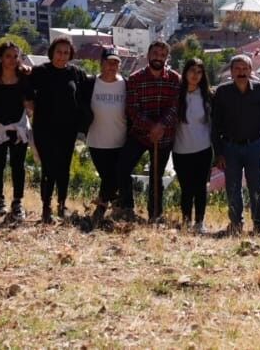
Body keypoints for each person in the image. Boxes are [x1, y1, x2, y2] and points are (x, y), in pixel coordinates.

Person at [26, 37, 88, 224]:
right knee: (49, 169)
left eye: (66, 52)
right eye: (59, 52)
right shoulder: (39, 72)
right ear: (52, 52)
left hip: (67, 130)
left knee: (64, 169)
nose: (62, 56)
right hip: (44, 129)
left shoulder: (76, 73)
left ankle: (62, 205)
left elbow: (85, 96)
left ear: (70, 54)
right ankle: (46, 207)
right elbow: (26, 91)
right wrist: (33, 106)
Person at [212, 53, 260, 235]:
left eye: (245, 68)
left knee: (256, 187)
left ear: (251, 71)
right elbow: (215, 125)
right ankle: (236, 225)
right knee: (233, 188)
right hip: (230, 147)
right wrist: (219, 153)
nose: (241, 72)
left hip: (255, 146)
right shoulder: (222, 92)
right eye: (237, 69)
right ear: (231, 72)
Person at [121, 41, 182, 223]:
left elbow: (175, 106)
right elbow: (132, 108)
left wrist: (161, 126)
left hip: (164, 137)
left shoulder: (174, 79)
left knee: (157, 177)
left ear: (167, 58)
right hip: (139, 134)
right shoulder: (135, 78)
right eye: (155, 53)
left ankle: (155, 215)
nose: (158, 57)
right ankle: (127, 208)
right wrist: (151, 127)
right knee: (122, 168)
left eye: (163, 55)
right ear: (148, 55)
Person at [0, 40, 32, 219]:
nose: (12, 60)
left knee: (18, 165)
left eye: (15, 56)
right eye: (8, 56)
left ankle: (18, 201)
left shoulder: (24, 77)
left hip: (17, 128)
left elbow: (29, 100)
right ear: (0, 58)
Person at [81, 50, 128, 223]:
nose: (112, 66)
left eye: (115, 63)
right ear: (101, 63)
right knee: (108, 177)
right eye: (109, 62)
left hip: (120, 140)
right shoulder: (91, 83)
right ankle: (113, 207)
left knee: (114, 176)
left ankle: (102, 209)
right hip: (97, 140)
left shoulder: (125, 84)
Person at [172, 58, 214, 232]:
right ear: (185, 73)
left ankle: (199, 222)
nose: (195, 75)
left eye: (199, 72)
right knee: (186, 188)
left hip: (203, 149)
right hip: (181, 149)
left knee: (201, 188)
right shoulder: (177, 95)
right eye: (192, 71)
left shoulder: (208, 96)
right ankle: (186, 221)